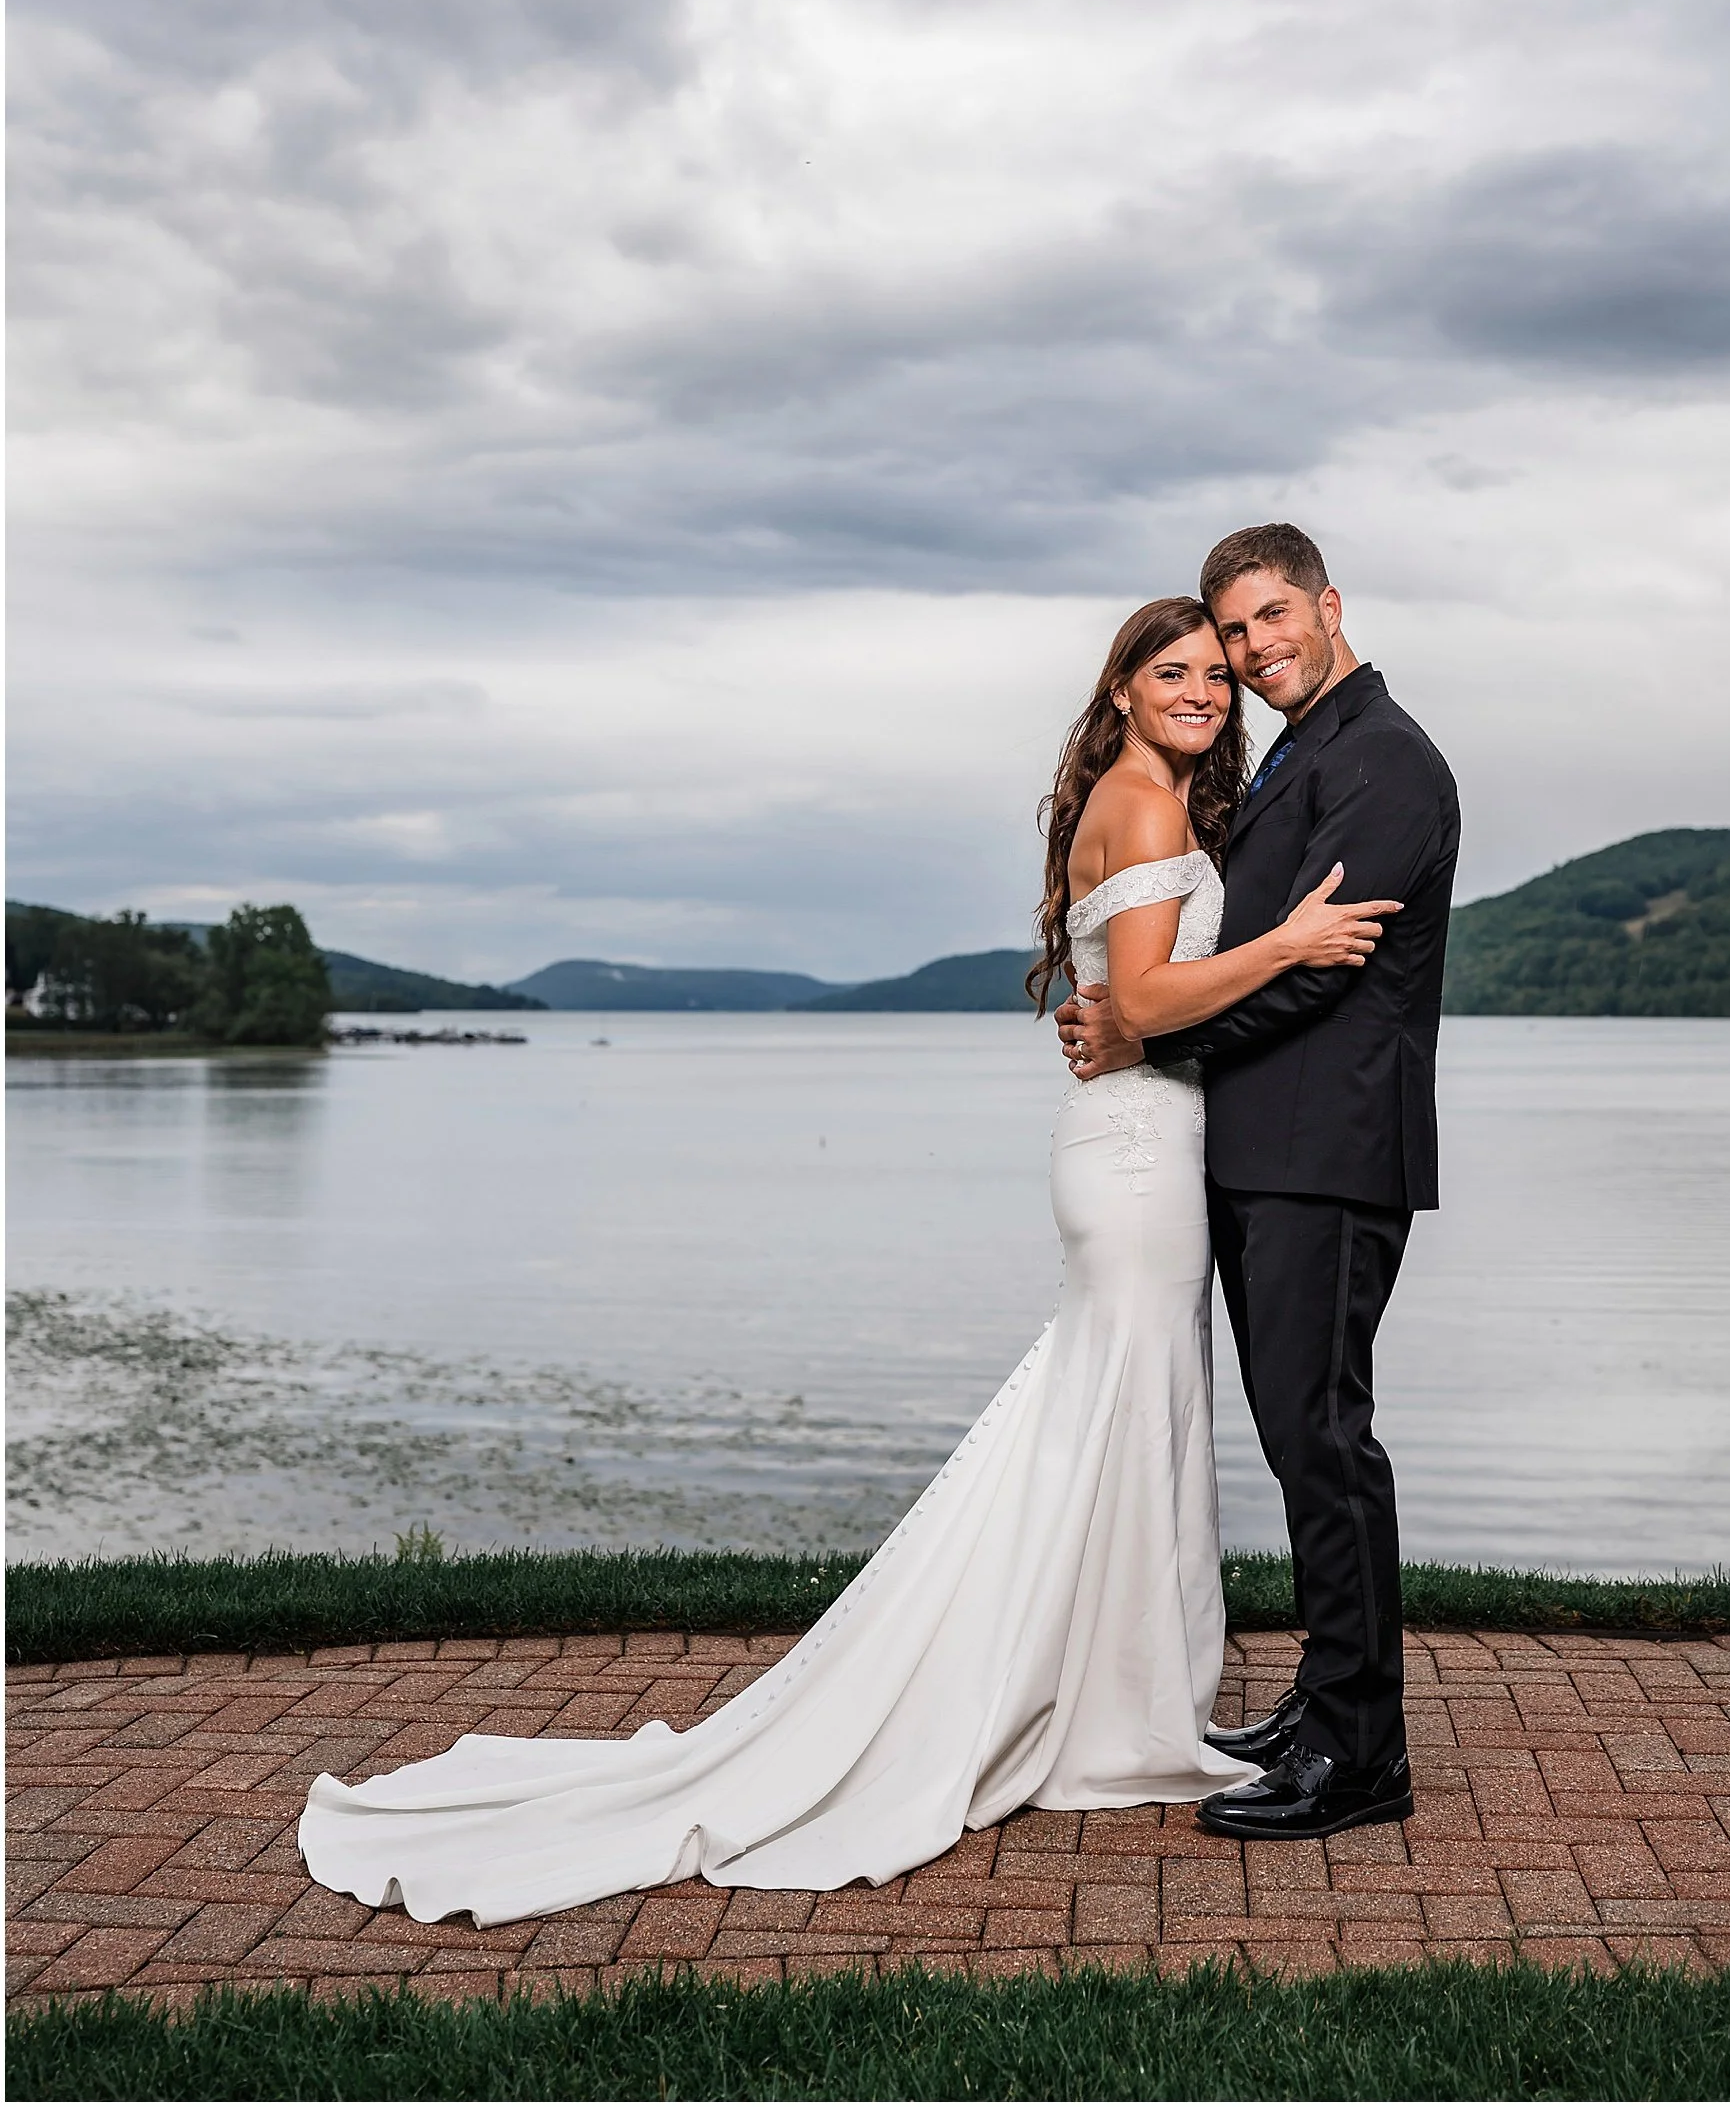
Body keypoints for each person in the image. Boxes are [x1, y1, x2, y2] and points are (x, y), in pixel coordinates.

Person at [297, 597, 1398, 1922]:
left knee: (1118, 1417)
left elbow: (1118, 1003)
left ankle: (1116, 1693)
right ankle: (1099, 1705)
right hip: (1134, 1155)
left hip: (1135, 1140)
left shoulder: (1141, 800)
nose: (1203, 695)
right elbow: (1147, 1002)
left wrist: (1143, 1015)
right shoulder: (1146, 804)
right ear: (1117, 689)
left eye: (1215, 677)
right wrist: (1283, 944)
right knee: (1118, 1411)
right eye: (1174, 672)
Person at [1058, 526, 1460, 1842]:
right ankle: (1320, 1703)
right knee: (1299, 1444)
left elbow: (1314, 966)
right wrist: (1140, 1025)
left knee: (1324, 1444)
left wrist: (1142, 1032)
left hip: (1328, 1156)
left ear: (1328, 606)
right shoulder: (1304, 749)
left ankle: (1361, 1756)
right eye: (1232, 633)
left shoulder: (1387, 762)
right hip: (1258, 1151)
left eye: (1270, 617)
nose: (1251, 650)